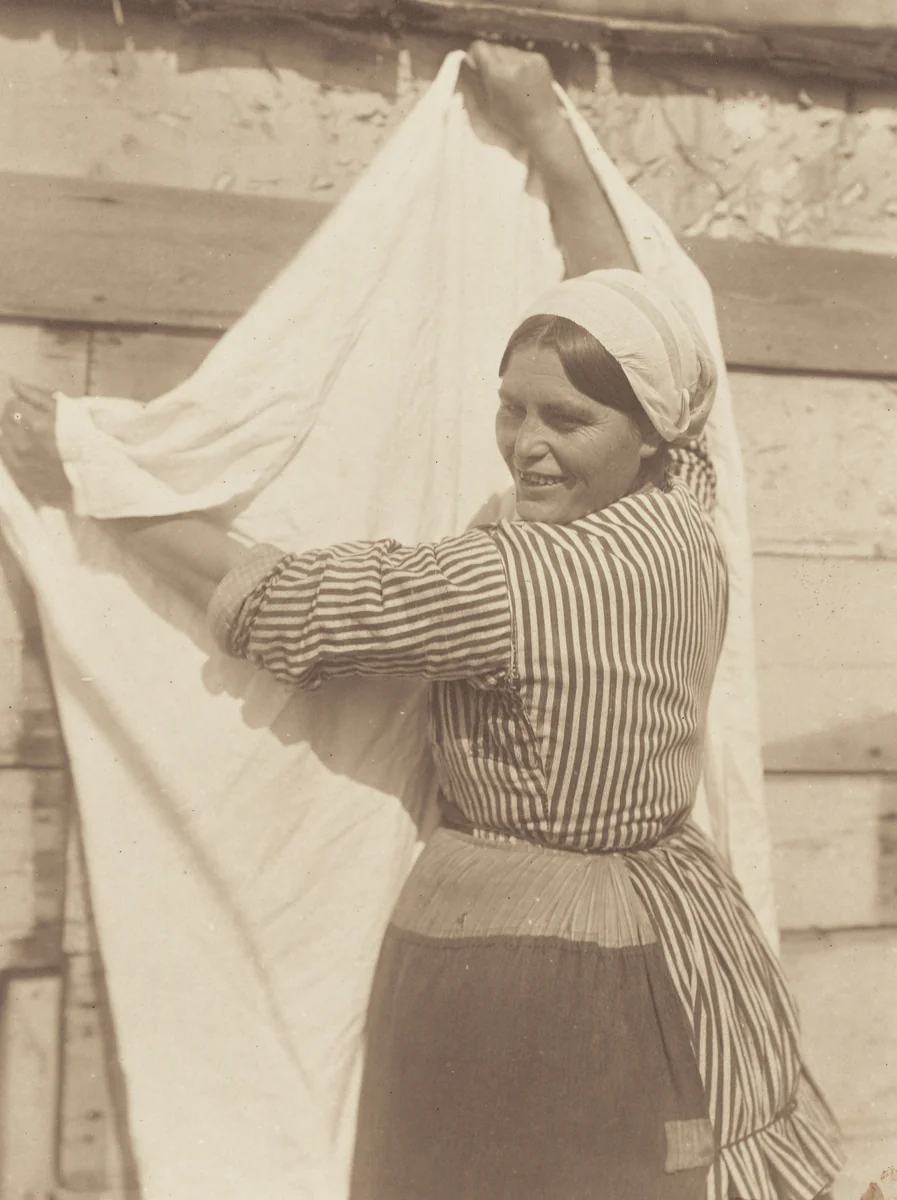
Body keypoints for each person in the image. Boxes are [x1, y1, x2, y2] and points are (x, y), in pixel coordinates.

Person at [0, 42, 841, 1200]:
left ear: (643, 429)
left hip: (519, 956)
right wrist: (548, 130)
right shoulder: (687, 510)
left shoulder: (511, 581)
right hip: (675, 919)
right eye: (509, 411)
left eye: (564, 421)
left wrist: (89, 468)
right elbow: (628, 325)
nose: (528, 444)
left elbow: (286, 607)